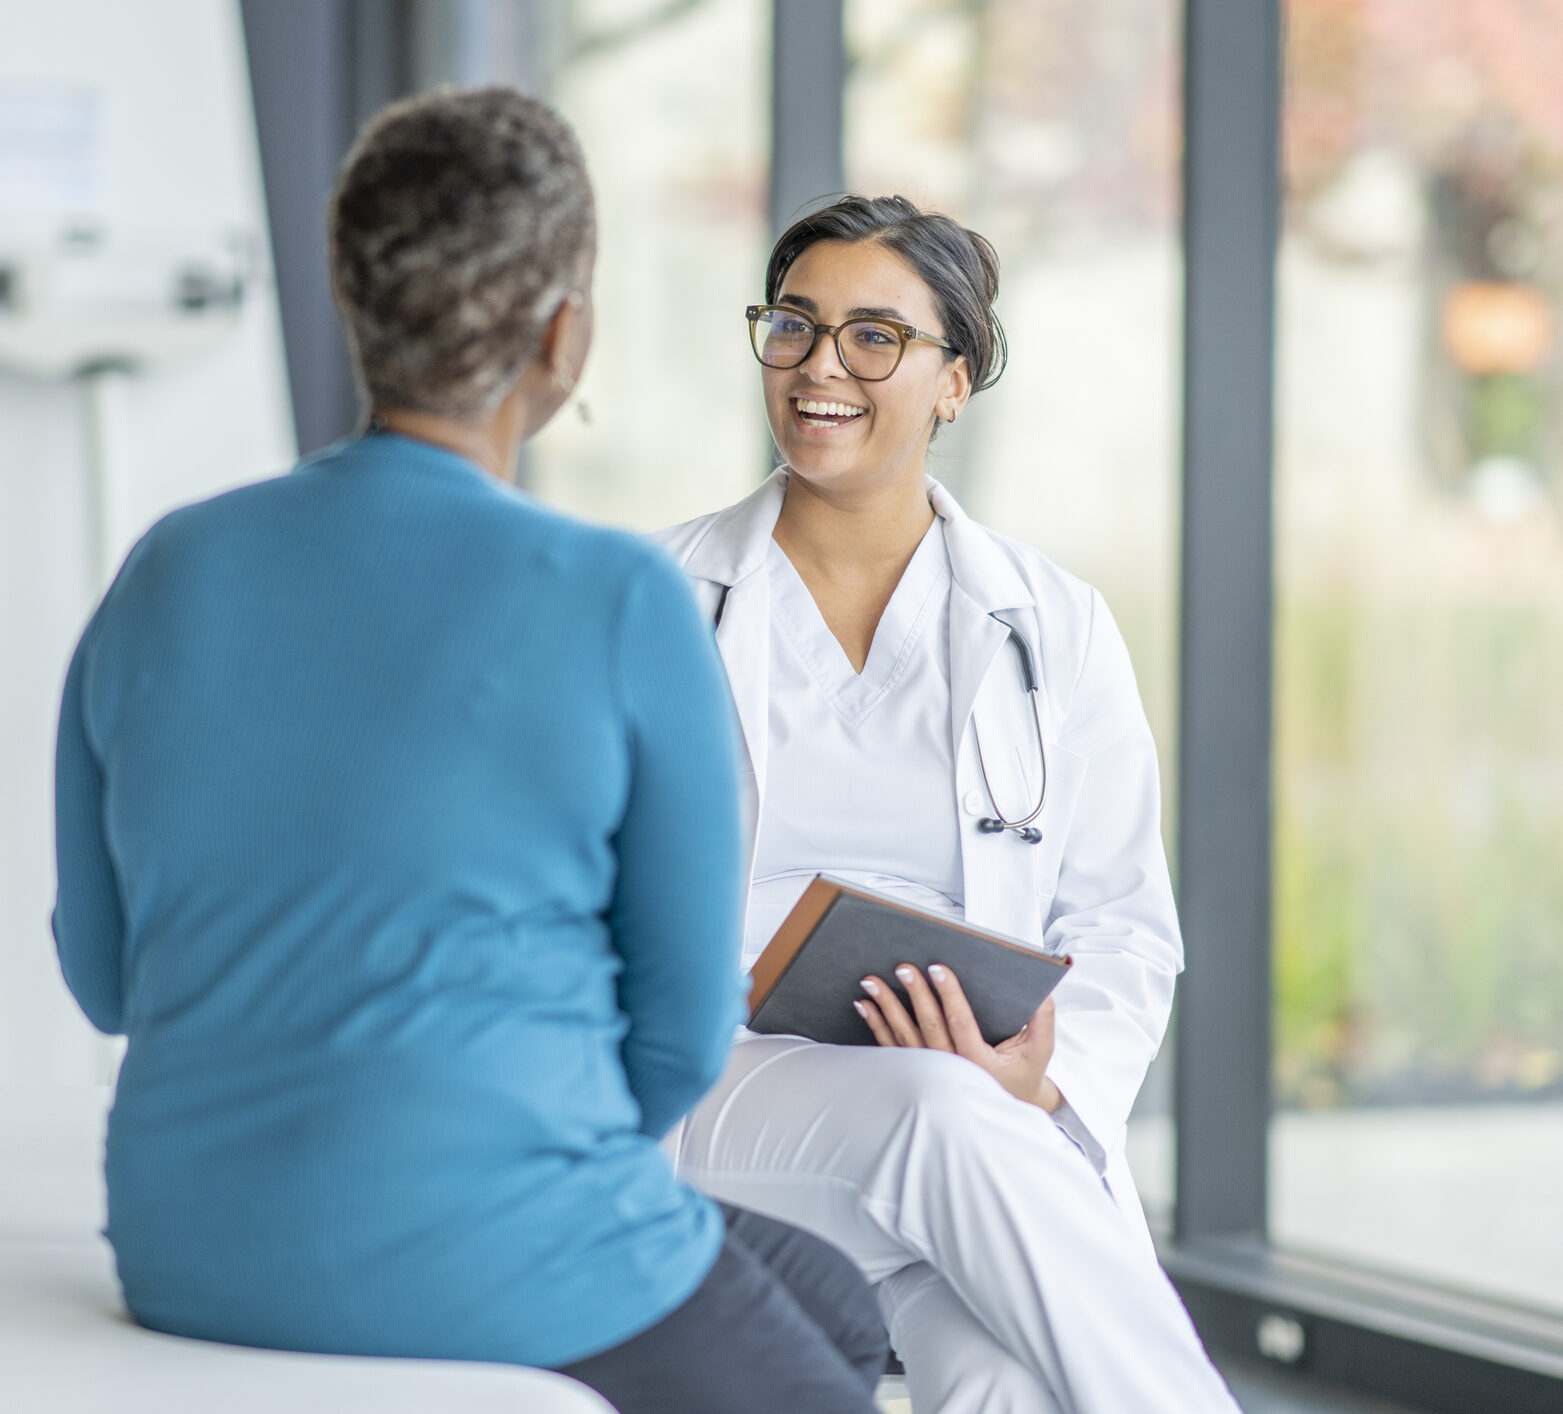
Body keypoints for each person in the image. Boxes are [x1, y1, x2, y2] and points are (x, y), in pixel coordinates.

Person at [51, 89, 886, 1414]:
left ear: (352, 300)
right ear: (564, 334)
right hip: (499, 1247)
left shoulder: (166, 568)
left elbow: (103, 980)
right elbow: (674, 1041)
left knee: (833, 1296)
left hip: (190, 1247)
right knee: (835, 1365)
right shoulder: (615, 598)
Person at [655, 194, 1242, 1414]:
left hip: (973, 1126)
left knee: (1009, 1383)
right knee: (940, 1110)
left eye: (875, 336)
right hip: (725, 1085)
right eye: (796, 326)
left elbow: (1125, 921)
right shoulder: (652, 600)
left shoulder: (1051, 622)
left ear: (954, 381)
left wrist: (1044, 1076)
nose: (822, 364)